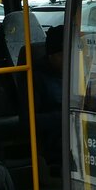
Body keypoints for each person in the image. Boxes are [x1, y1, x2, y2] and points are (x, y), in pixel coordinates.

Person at [32, 24, 64, 170]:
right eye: (63, 55)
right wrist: (64, 117)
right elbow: (30, 119)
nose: (69, 59)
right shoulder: (36, 76)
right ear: (52, 55)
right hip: (55, 136)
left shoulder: (76, 71)